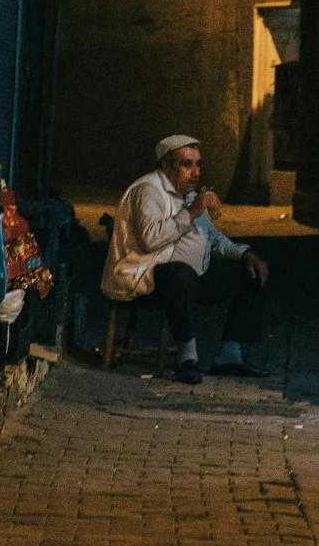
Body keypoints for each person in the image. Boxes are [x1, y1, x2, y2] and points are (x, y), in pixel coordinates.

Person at [104, 133, 270, 385]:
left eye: (198, 164)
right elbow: (151, 239)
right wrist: (192, 213)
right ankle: (187, 358)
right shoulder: (148, 191)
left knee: (248, 271)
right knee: (179, 274)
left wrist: (246, 253)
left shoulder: (189, 195)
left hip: (192, 281)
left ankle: (230, 356)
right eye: (186, 164)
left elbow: (213, 238)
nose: (195, 172)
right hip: (146, 279)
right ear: (167, 166)